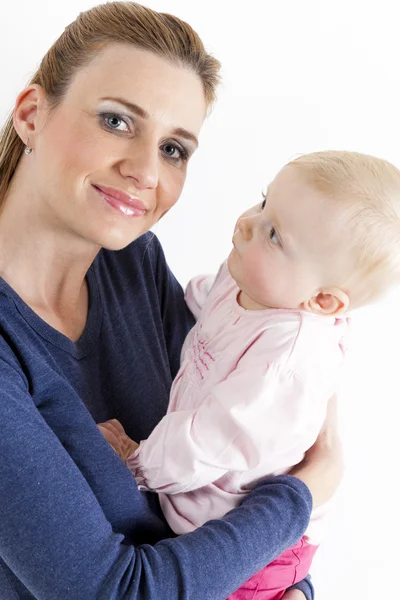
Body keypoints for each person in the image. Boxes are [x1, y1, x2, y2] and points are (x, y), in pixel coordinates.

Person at [0, 2, 343, 599]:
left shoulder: (133, 265)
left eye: (174, 149)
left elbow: (236, 483)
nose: (144, 171)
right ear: (31, 115)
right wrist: (307, 491)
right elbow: (114, 592)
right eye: (116, 121)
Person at [99, 150, 400, 599]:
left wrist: (136, 462)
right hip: (211, 515)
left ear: (322, 301)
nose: (246, 223)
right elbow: (207, 310)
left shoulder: (286, 362)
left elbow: (209, 438)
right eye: (263, 203)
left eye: (275, 234)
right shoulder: (253, 284)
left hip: (256, 554)